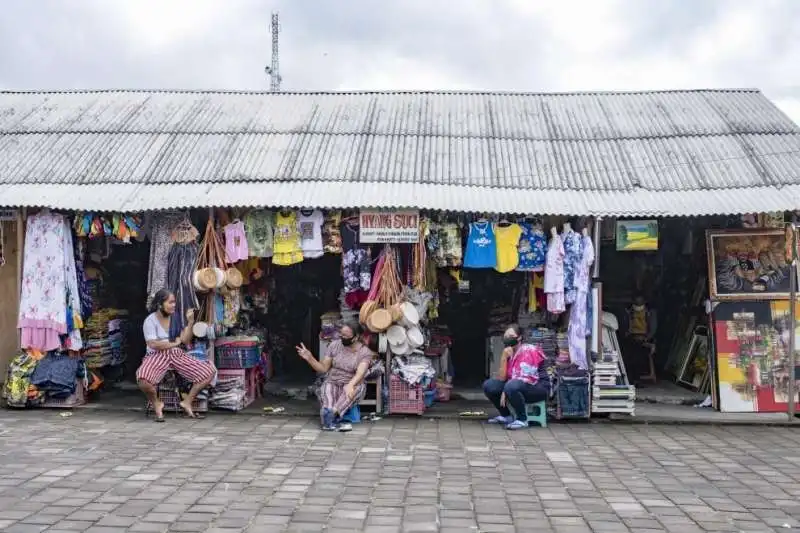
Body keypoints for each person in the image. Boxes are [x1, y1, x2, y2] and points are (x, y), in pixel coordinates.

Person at [136, 289, 216, 422]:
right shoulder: (150, 320)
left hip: (176, 354)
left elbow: (184, 340)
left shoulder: (176, 318)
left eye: (174, 302)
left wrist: (190, 322)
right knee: (143, 380)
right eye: (170, 302)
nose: (174, 305)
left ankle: (187, 401)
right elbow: (153, 344)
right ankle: (156, 403)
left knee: (209, 371)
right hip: (156, 355)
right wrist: (173, 344)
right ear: (160, 304)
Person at [296, 321, 373, 432]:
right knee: (327, 397)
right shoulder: (334, 345)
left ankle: (332, 414)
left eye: (346, 336)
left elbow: (360, 373)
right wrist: (310, 358)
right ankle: (329, 414)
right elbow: (323, 369)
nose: (342, 338)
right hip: (333, 381)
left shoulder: (364, 352)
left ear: (356, 337)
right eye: (341, 334)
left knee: (351, 391)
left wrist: (350, 385)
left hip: (353, 382)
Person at [482, 324, 549, 430]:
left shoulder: (528, 350)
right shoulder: (509, 352)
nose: (508, 338)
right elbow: (502, 378)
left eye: (511, 335)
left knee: (511, 385)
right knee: (489, 385)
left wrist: (505, 390)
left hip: (538, 388)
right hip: (516, 386)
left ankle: (522, 420)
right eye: (506, 336)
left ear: (519, 337)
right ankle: (507, 416)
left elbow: (527, 378)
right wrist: (504, 357)